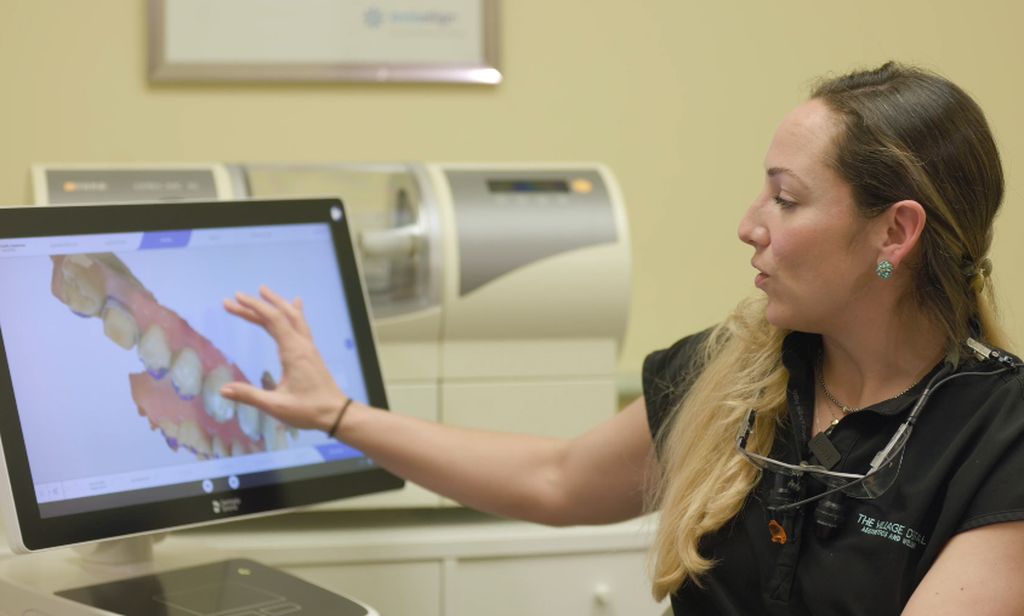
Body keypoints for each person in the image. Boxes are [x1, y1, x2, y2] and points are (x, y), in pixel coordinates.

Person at [219, 62, 1024, 615]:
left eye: (786, 199)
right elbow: (555, 480)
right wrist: (335, 414)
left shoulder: (1001, 436)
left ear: (896, 233)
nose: (748, 226)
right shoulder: (734, 375)